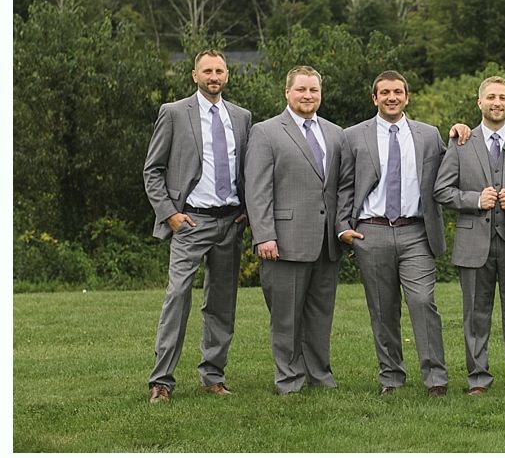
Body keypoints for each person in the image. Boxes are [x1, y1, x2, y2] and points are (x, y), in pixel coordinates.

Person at [433, 75, 505, 394]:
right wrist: (473, 200)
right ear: (479, 102)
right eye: (491, 97)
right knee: (475, 316)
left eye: (502, 97)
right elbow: (442, 190)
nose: (497, 103)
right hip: (474, 243)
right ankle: (478, 379)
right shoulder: (461, 143)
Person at [143, 49, 251, 404]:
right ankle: (161, 380)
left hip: (230, 222)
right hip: (190, 221)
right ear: (195, 75)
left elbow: (250, 172)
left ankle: (213, 376)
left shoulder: (242, 117)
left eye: (219, 70)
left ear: (227, 75)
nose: (214, 76)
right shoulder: (174, 113)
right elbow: (153, 170)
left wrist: (248, 210)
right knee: (177, 296)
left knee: (221, 303)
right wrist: (170, 214)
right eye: (207, 71)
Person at [338, 70, 452, 398]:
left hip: (416, 231)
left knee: (422, 301)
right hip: (370, 232)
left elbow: (452, 170)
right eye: (385, 92)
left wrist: (461, 133)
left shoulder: (429, 135)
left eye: (398, 92)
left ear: (407, 96)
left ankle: (435, 379)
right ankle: (391, 376)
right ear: (374, 98)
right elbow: (344, 185)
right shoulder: (354, 136)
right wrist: (343, 227)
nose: (392, 97)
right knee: (382, 307)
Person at [245, 65, 349, 395]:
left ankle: (320, 375)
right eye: (301, 90)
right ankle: (289, 379)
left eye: (313, 90)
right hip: (284, 240)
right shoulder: (266, 132)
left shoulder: (335, 133)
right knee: (286, 318)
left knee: (320, 315)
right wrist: (264, 234)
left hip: (325, 241)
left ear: (321, 94)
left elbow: (340, 185)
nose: (307, 95)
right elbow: (257, 188)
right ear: (287, 92)